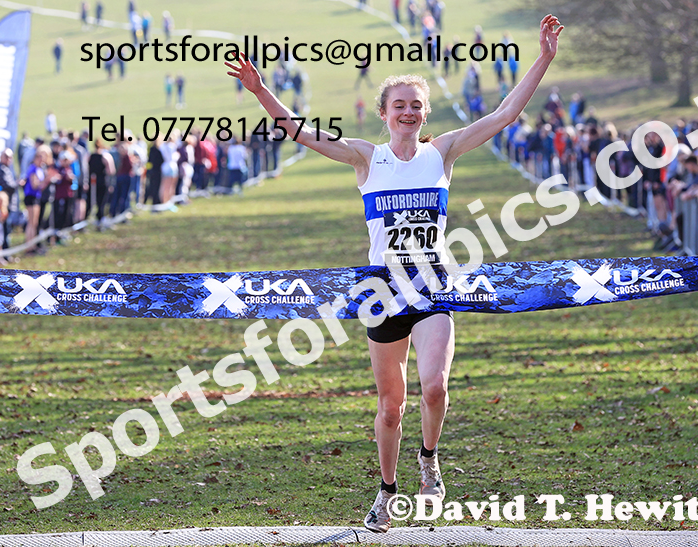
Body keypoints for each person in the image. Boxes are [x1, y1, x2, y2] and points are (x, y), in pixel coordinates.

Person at [227, 13, 563, 533]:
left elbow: (503, 115)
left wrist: (542, 57)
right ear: (384, 113)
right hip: (382, 292)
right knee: (391, 407)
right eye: (398, 105)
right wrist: (260, 90)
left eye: (415, 106)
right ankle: (386, 492)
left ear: (424, 114)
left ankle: (429, 459)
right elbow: (301, 132)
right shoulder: (366, 159)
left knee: (435, 387)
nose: (407, 113)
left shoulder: (442, 152)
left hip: (432, 286)